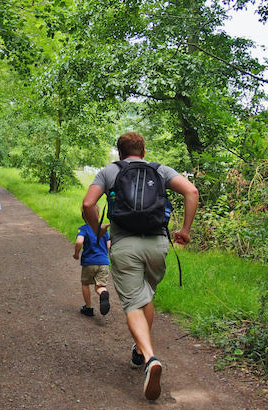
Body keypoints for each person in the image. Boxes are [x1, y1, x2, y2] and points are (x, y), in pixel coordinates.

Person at [82, 132, 199, 401]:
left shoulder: (109, 172)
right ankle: (138, 348)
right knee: (146, 295)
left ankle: (149, 358)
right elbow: (192, 191)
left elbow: (89, 203)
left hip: (125, 246)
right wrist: (185, 230)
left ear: (119, 153)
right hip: (158, 245)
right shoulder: (160, 170)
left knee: (134, 302)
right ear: (143, 151)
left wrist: (97, 229)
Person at [73, 206, 111, 317]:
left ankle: (88, 308)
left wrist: (76, 254)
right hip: (104, 263)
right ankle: (103, 293)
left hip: (89, 263)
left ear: (83, 217)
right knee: (100, 286)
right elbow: (109, 246)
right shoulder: (103, 229)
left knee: (85, 284)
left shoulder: (83, 229)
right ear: (98, 216)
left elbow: (79, 242)